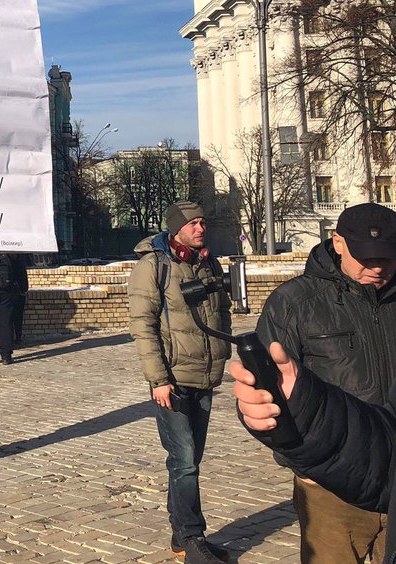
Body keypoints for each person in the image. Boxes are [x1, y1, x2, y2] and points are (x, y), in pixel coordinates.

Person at [234, 205, 396, 563]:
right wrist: (258, 411)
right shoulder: (294, 303)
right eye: (366, 257)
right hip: (332, 484)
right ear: (337, 242)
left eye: (386, 258)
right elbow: (266, 389)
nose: (376, 267)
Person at [128, 202, 231, 564]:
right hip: (170, 379)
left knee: (189, 460)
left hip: (203, 376)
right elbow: (143, 325)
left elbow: (222, 313)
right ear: (177, 229)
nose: (201, 228)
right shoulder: (154, 266)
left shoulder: (207, 262)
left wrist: (223, 354)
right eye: (194, 223)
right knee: (184, 459)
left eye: (203, 221)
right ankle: (192, 537)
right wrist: (157, 379)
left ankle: (180, 535)